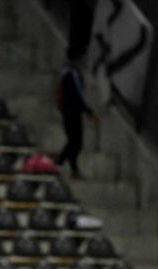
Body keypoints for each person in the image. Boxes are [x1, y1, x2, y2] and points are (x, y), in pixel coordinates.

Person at [56, 46, 98, 179]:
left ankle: (73, 169)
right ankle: (57, 165)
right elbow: (79, 95)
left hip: (73, 111)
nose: (84, 59)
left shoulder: (70, 72)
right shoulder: (72, 73)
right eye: (83, 56)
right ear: (77, 58)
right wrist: (89, 112)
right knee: (74, 142)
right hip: (71, 112)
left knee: (75, 142)